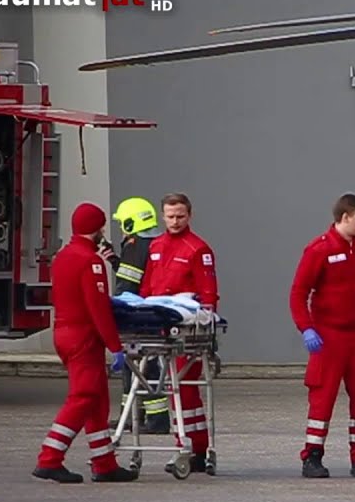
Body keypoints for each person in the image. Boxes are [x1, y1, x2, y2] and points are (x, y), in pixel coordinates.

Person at [289, 193, 355, 479]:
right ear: (345, 218)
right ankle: (312, 456)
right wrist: (306, 327)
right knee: (322, 395)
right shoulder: (318, 250)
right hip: (328, 335)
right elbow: (298, 293)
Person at [32, 202, 137, 483]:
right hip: (83, 337)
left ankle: (104, 462)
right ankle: (50, 457)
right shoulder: (90, 262)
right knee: (84, 396)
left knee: (98, 398)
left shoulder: (63, 256)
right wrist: (114, 345)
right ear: (98, 229)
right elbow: (98, 308)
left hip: (64, 333)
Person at [139, 192, 219, 475]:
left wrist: (206, 324)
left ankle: (190, 447)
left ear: (190, 216)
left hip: (186, 328)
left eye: (180, 216)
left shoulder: (198, 249)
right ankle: (194, 447)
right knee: (180, 391)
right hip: (160, 325)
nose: (174, 221)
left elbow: (208, 292)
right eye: (170, 216)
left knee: (182, 390)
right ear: (163, 216)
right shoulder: (156, 246)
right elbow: (148, 286)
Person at [100, 197, 170, 434]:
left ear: (131, 223)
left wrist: (117, 311)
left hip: (136, 315)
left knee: (141, 366)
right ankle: (132, 417)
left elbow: (127, 284)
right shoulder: (156, 241)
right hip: (151, 310)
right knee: (139, 365)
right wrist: (114, 260)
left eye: (123, 223)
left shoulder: (134, 243)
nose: (121, 228)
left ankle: (156, 419)